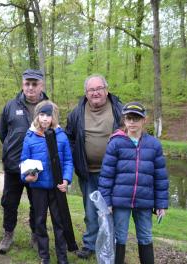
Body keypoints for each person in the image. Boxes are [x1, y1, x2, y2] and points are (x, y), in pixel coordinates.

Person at [98, 102, 169, 264]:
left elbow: (160, 177)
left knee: (145, 237)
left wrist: (161, 204)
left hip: (144, 201)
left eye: (136, 119)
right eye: (129, 118)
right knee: (119, 237)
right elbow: (106, 176)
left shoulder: (154, 145)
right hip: (120, 201)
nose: (132, 122)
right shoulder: (115, 143)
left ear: (144, 120)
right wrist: (106, 202)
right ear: (124, 120)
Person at [65, 74, 123, 259]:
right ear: (86, 93)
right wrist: (77, 159)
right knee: (91, 212)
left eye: (99, 88)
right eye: (92, 90)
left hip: (115, 173)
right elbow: (70, 138)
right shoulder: (76, 113)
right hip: (88, 172)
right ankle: (90, 244)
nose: (96, 92)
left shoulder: (119, 110)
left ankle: (111, 245)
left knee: (113, 211)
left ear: (106, 90)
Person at [0, 69, 48, 254]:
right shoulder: (10, 106)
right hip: (14, 165)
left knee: (38, 203)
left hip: (38, 167)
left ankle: (36, 235)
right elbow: (3, 132)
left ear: (41, 85)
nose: (31, 87)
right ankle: (8, 233)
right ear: (22, 84)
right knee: (9, 202)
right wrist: (12, 149)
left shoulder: (48, 107)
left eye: (35, 84)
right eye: (27, 83)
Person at [20, 101, 73, 264]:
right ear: (37, 116)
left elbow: (68, 161)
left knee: (59, 222)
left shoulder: (61, 136)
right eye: (41, 115)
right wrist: (27, 177)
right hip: (38, 188)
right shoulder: (29, 138)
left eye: (48, 115)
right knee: (40, 221)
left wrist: (66, 179)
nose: (44, 118)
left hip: (57, 187)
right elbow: (23, 162)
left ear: (53, 117)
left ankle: (62, 257)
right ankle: (44, 255)